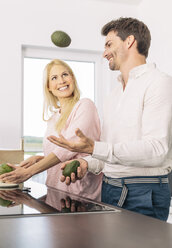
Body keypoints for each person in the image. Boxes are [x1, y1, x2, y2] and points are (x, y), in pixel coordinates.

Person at [47, 17, 172, 221]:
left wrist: (95, 149)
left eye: (109, 44)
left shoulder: (159, 83)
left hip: (143, 191)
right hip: (109, 189)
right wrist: (87, 164)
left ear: (129, 41)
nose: (104, 53)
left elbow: (157, 150)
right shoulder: (113, 95)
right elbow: (109, 150)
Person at [0, 59, 103, 201]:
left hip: (80, 197)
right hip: (54, 194)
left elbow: (68, 149)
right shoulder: (54, 118)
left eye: (65, 74)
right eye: (54, 78)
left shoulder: (85, 106)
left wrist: (28, 172)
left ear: (72, 78)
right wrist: (38, 159)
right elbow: (62, 158)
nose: (61, 81)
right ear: (48, 86)